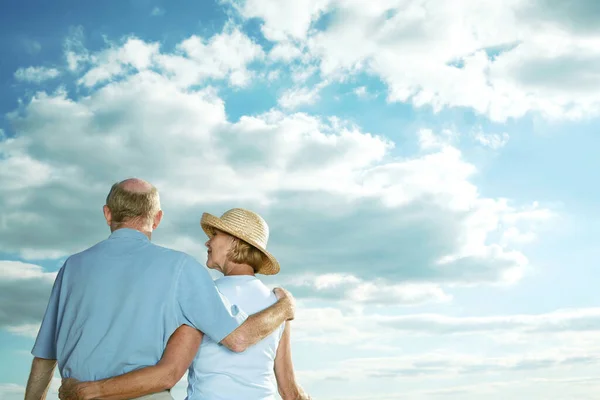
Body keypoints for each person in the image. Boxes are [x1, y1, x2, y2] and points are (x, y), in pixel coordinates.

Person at [24, 179, 295, 400]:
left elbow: (44, 357)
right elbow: (239, 341)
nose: (206, 242)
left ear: (107, 213)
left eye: (214, 235)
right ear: (157, 219)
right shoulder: (182, 270)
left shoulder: (72, 266)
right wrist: (284, 307)